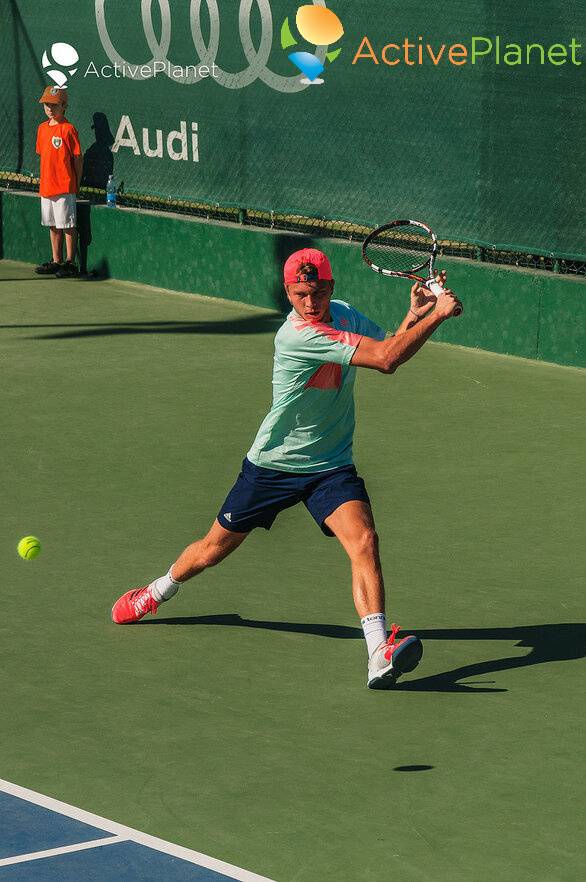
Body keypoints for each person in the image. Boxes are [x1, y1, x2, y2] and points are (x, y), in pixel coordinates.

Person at [111, 248, 462, 689]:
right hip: (274, 466)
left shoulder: (346, 315)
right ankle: (158, 591)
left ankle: (378, 651)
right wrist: (441, 315)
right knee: (211, 550)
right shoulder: (296, 335)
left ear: (330, 289)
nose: (309, 303)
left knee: (364, 540)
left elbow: (388, 343)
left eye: (316, 293)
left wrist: (416, 315)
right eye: (299, 294)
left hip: (331, 465)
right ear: (288, 293)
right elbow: (387, 360)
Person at [34, 86, 83, 278]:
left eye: (54, 105)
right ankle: (57, 261)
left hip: (64, 186)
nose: (50, 108)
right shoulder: (41, 129)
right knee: (53, 225)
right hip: (46, 187)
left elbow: (78, 158)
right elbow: (43, 155)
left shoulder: (69, 129)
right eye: (47, 104)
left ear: (64, 106)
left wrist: (76, 182)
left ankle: (70, 263)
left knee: (68, 225)